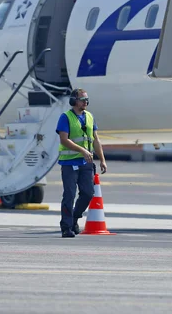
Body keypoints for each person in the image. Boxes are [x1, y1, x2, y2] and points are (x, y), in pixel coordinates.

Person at [56, 88, 107, 238]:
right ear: (74, 101)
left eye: (87, 99)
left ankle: (74, 219)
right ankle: (66, 227)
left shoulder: (90, 117)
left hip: (86, 163)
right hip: (69, 163)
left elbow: (95, 140)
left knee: (88, 193)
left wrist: (102, 159)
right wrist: (82, 151)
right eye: (83, 99)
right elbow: (64, 139)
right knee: (69, 195)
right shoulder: (65, 117)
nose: (86, 102)